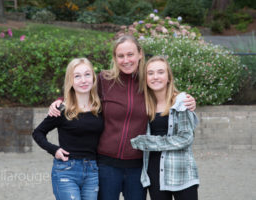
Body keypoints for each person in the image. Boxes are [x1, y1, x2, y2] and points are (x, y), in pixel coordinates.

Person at [48, 35, 196, 200]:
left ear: (140, 54)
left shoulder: (147, 82)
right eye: (121, 56)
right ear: (115, 58)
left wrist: (185, 99)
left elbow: (165, 92)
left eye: (130, 54)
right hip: (106, 165)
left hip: (137, 167)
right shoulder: (104, 80)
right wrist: (60, 101)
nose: (126, 60)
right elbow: (80, 90)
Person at [32, 58, 104, 200]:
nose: (83, 80)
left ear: (93, 77)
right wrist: (54, 150)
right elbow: (38, 132)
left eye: (87, 74)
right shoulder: (62, 108)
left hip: (92, 171)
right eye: (77, 76)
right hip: (66, 171)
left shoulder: (100, 107)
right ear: (70, 81)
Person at [131, 56, 199, 200]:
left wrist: (149, 143)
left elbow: (186, 138)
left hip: (181, 172)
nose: (155, 77)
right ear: (146, 79)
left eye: (160, 72)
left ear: (168, 77)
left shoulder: (181, 101)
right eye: (150, 73)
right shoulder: (144, 104)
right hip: (155, 173)